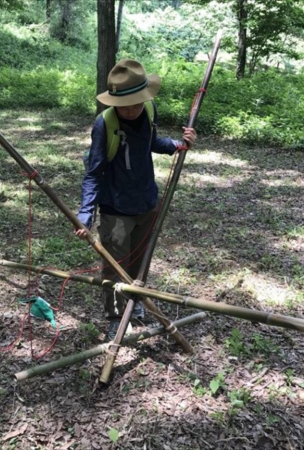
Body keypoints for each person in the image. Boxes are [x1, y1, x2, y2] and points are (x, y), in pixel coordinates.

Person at [74, 59, 196, 340]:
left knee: (140, 261)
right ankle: (116, 316)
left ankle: (136, 302)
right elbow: (93, 172)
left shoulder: (149, 110)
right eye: (124, 105)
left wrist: (178, 145)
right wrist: (85, 214)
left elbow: (150, 141)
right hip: (115, 206)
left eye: (136, 103)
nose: (131, 109)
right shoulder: (104, 125)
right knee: (115, 264)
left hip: (147, 202)